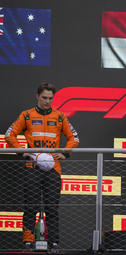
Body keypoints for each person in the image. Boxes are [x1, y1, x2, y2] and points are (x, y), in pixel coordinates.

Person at [5, 81, 80, 249]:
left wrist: (66, 153)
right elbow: (10, 135)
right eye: (44, 98)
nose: (47, 101)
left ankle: (53, 242)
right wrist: (22, 151)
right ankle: (28, 241)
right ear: (37, 96)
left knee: (52, 208)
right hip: (32, 167)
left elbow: (74, 138)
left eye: (50, 98)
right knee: (30, 206)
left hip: (54, 168)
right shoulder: (27, 115)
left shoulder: (60, 116)